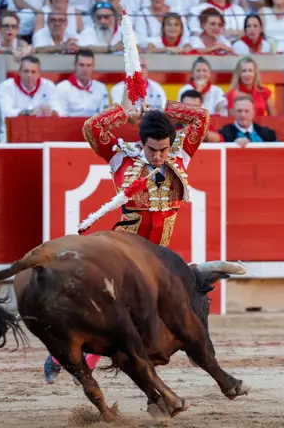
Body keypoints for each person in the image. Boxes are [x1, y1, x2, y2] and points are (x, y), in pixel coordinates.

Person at [43, 98, 210, 384]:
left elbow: (202, 117)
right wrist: (125, 112)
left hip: (158, 256)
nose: (159, 156)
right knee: (110, 306)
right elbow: (91, 128)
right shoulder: (122, 156)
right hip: (125, 248)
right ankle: (61, 356)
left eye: (164, 149)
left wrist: (160, 108)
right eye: (152, 150)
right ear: (141, 143)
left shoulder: (181, 153)